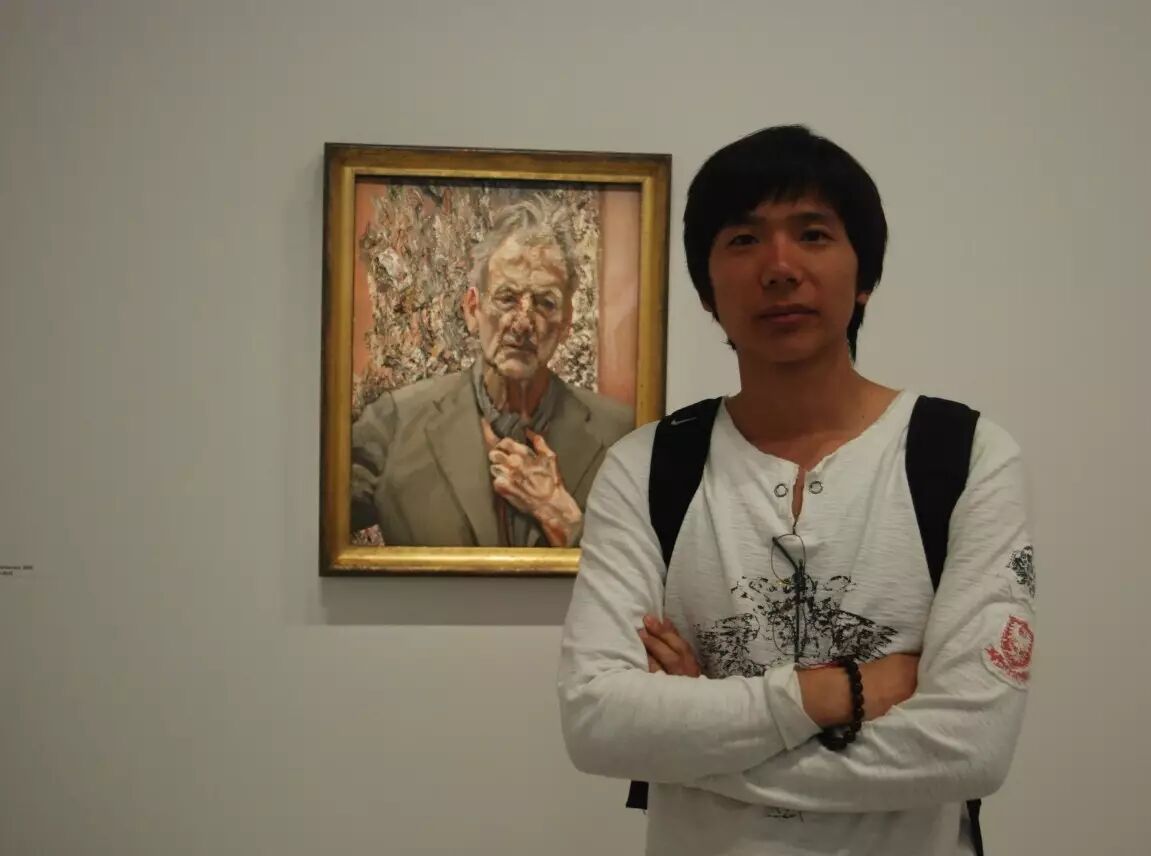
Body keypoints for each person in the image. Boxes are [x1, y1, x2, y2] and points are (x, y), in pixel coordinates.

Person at [558, 125, 1036, 855]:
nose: (780, 267)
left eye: (813, 234)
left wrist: (695, 737)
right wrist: (840, 691)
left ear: (864, 273)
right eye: (743, 240)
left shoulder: (964, 456)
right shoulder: (647, 467)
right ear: (706, 289)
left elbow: (970, 748)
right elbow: (596, 722)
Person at [350, 196, 634, 548]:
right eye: (507, 298)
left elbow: (646, 566)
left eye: (545, 303)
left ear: (565, 323)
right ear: (473, 309)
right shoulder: (395, 423)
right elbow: (312, 523)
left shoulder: (621, 435)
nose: (523, 323)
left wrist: (564, 518)